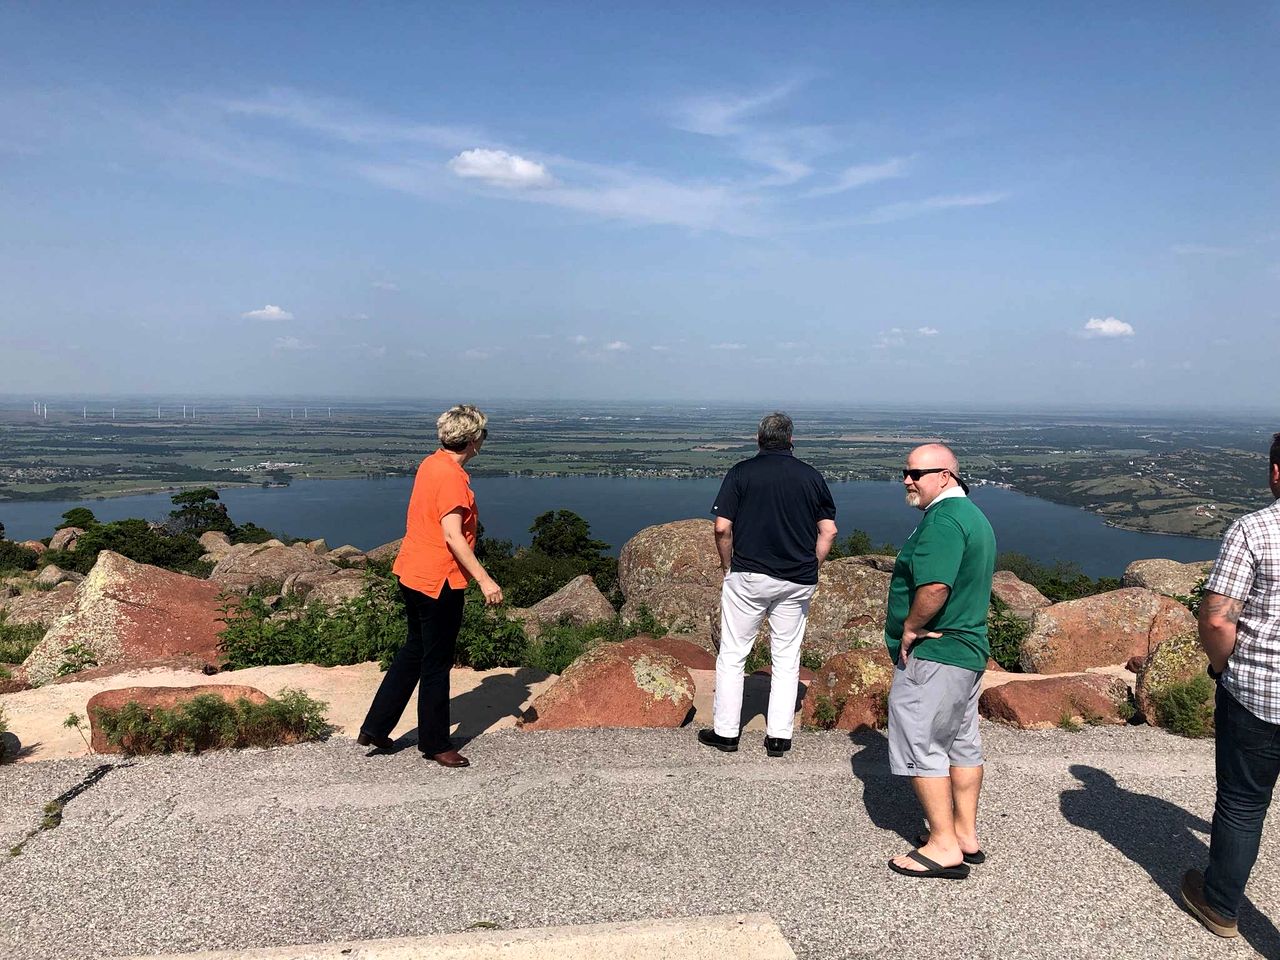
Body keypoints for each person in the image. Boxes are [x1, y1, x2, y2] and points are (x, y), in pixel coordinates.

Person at [357, 404, 503, 768]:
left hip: (412, 571)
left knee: (413, 651)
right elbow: (453, 536)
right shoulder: (452, 478)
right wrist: (484, 579)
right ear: (472, 440)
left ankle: (375, 726)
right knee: (436, 663)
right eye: (482, 434)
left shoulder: (430, 464)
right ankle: (436, 743)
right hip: (439, 579)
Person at [1181, 432, 1280, 938]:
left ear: (1276, 473)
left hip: (1260, 694)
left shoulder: (1255, 530)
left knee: (1243, 802)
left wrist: (1222, 669)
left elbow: (1218, 620)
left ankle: (1220, 905)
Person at [884, 443, 995, 880]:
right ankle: (965, 834)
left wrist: (909, 628)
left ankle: (943, 844)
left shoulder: (944, 521)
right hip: (967, 650)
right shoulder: (973, 516)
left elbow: (934, 587)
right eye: (905, 472)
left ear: (946, 475)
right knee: (961, 743)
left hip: (937, 653)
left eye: (917, 473)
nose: (908, 480)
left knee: (921, 739)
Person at [698, 412, 838, 757]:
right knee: (788, 657)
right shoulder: (811, 476)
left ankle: (727, 733)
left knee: (733, 654)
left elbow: (721, 527)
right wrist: (811, 564)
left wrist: (727, 565)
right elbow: (829, 531)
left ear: (759, 439)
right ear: (791, 440)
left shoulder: (742, 472)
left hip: (748, 576)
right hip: (797, 580)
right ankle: (778, 737)